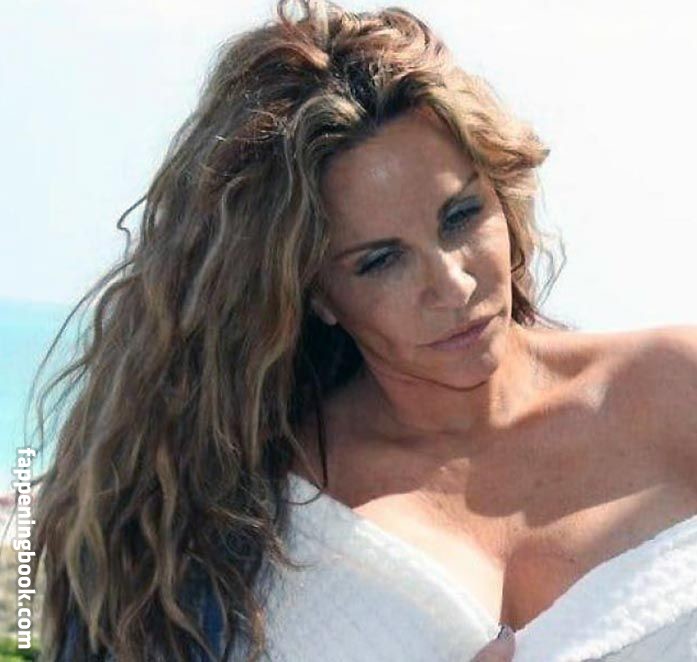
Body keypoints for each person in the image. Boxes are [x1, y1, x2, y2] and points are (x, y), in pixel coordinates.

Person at [23, 0, 697, 660]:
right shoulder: (245, 522)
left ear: (502, 193)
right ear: (317, 294)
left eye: (460, 217)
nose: (453, 286)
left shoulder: (677, 387)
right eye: (380, 261)